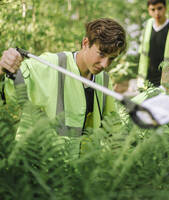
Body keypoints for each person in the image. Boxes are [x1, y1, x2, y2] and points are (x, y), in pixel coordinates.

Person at [0, 18, 126, 157]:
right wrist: (4, 68)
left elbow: (114, 130)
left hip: (77, 172)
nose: (105, 64)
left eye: (111, 58)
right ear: (85, 43)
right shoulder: (50, 64)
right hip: (36, 166)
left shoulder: (104, 80)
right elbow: (9, 92)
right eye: (101, 54)